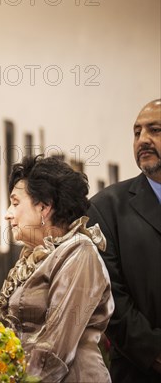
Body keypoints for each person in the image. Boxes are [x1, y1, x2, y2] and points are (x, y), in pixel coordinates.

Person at [0, 155, 113, 382]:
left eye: (15, 202)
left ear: (44, 207)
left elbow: (56, 346)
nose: (7, 213)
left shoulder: (79, 251)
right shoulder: (34, 256)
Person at [87, 99, 161, 382]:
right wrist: (154, 352)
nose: (143, 140)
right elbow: (108, 294)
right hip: (140, 370)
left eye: (154, 130)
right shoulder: (106, 207)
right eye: (137, 132)